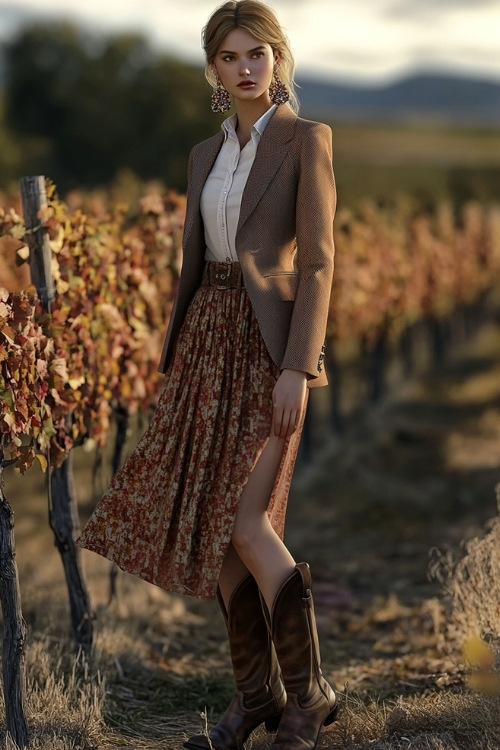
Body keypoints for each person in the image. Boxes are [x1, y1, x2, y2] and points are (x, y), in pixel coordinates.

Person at [78, 1, 337, 748]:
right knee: (216, 535)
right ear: (214, 71)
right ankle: (256, 698)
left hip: (266, 348)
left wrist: (298, 366)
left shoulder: (305, 141)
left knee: (250, 523)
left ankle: (312, 694)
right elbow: (197, 263)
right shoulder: (204, 155)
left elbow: (319, 263)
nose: (246, 66)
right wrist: (175, 353)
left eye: (258, 52)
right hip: (203, 344)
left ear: (278, 59)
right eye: (230, 57)